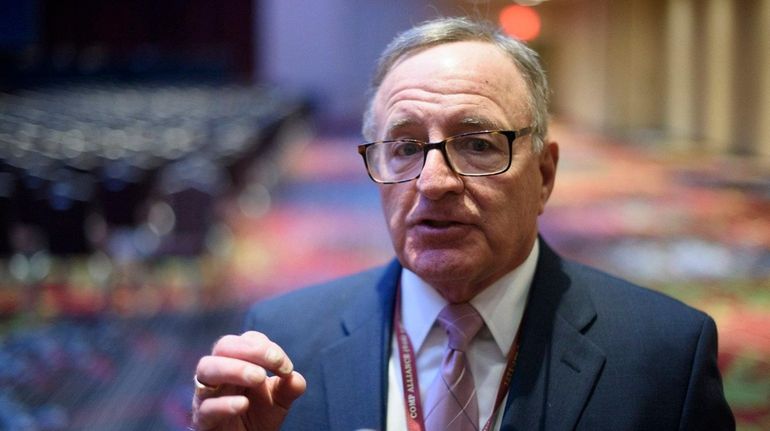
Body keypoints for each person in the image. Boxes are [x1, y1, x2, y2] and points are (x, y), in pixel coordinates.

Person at [191, 17, 734, 431]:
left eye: (476, 144)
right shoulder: (282, 343)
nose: (434, 182)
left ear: (544, 175)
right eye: (404, 147)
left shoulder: (666, 356)